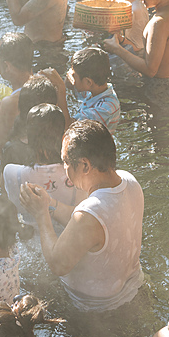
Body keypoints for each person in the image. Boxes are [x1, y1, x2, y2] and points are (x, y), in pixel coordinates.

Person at [19, 120, 144, 314]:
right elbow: (85, 225)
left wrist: (40, 213)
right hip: (134, 287)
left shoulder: (89, 214)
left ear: (85, 165)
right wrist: (51, 204)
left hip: (97, 310)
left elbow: (57, 263)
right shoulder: (129, 181)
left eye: (66, 162)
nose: (65, 169)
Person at [3, 104, 81, 227]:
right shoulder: (78, 174)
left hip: (30, 243)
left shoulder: (11, 173)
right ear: (63, 135)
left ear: (28, 137)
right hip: (68, 241)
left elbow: (9, 207)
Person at [44, 46, 120, 133]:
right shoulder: (96, 89)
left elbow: (67, 127)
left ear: (88, 82)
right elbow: (70, 85)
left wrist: (61, 88)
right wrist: (69, 76)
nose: (72, 76)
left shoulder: (105, 108)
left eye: (74, 76)